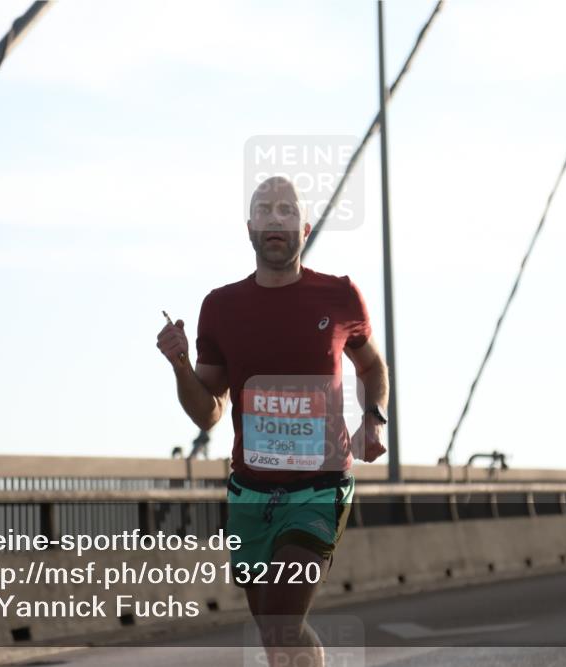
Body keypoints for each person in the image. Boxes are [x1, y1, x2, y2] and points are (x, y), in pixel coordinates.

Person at [156, 176, 389, 666]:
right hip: (251, 494)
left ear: (304, 227)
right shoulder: (221, 308)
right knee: (276, 637)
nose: (275, 219)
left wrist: (374, 419)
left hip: (319, 489)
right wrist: (180, 366)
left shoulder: (339, 296)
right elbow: (210, 410)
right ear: (249, 228)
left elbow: (372, 366)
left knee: (282, 628)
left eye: (286, 211)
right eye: (265, 210)